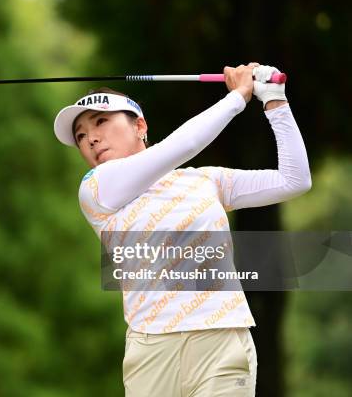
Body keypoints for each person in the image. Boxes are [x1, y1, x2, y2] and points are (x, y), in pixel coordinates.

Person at [52, 63, 311, 397]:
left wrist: (274, 100)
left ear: (140, 126)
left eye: (101, 121)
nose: (91, 138)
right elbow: (181, 146)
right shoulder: (96, 189)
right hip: (152, 348)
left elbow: (295, 180)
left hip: (222, 338)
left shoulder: (204, 180)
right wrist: (237, 97)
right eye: (81, 136)